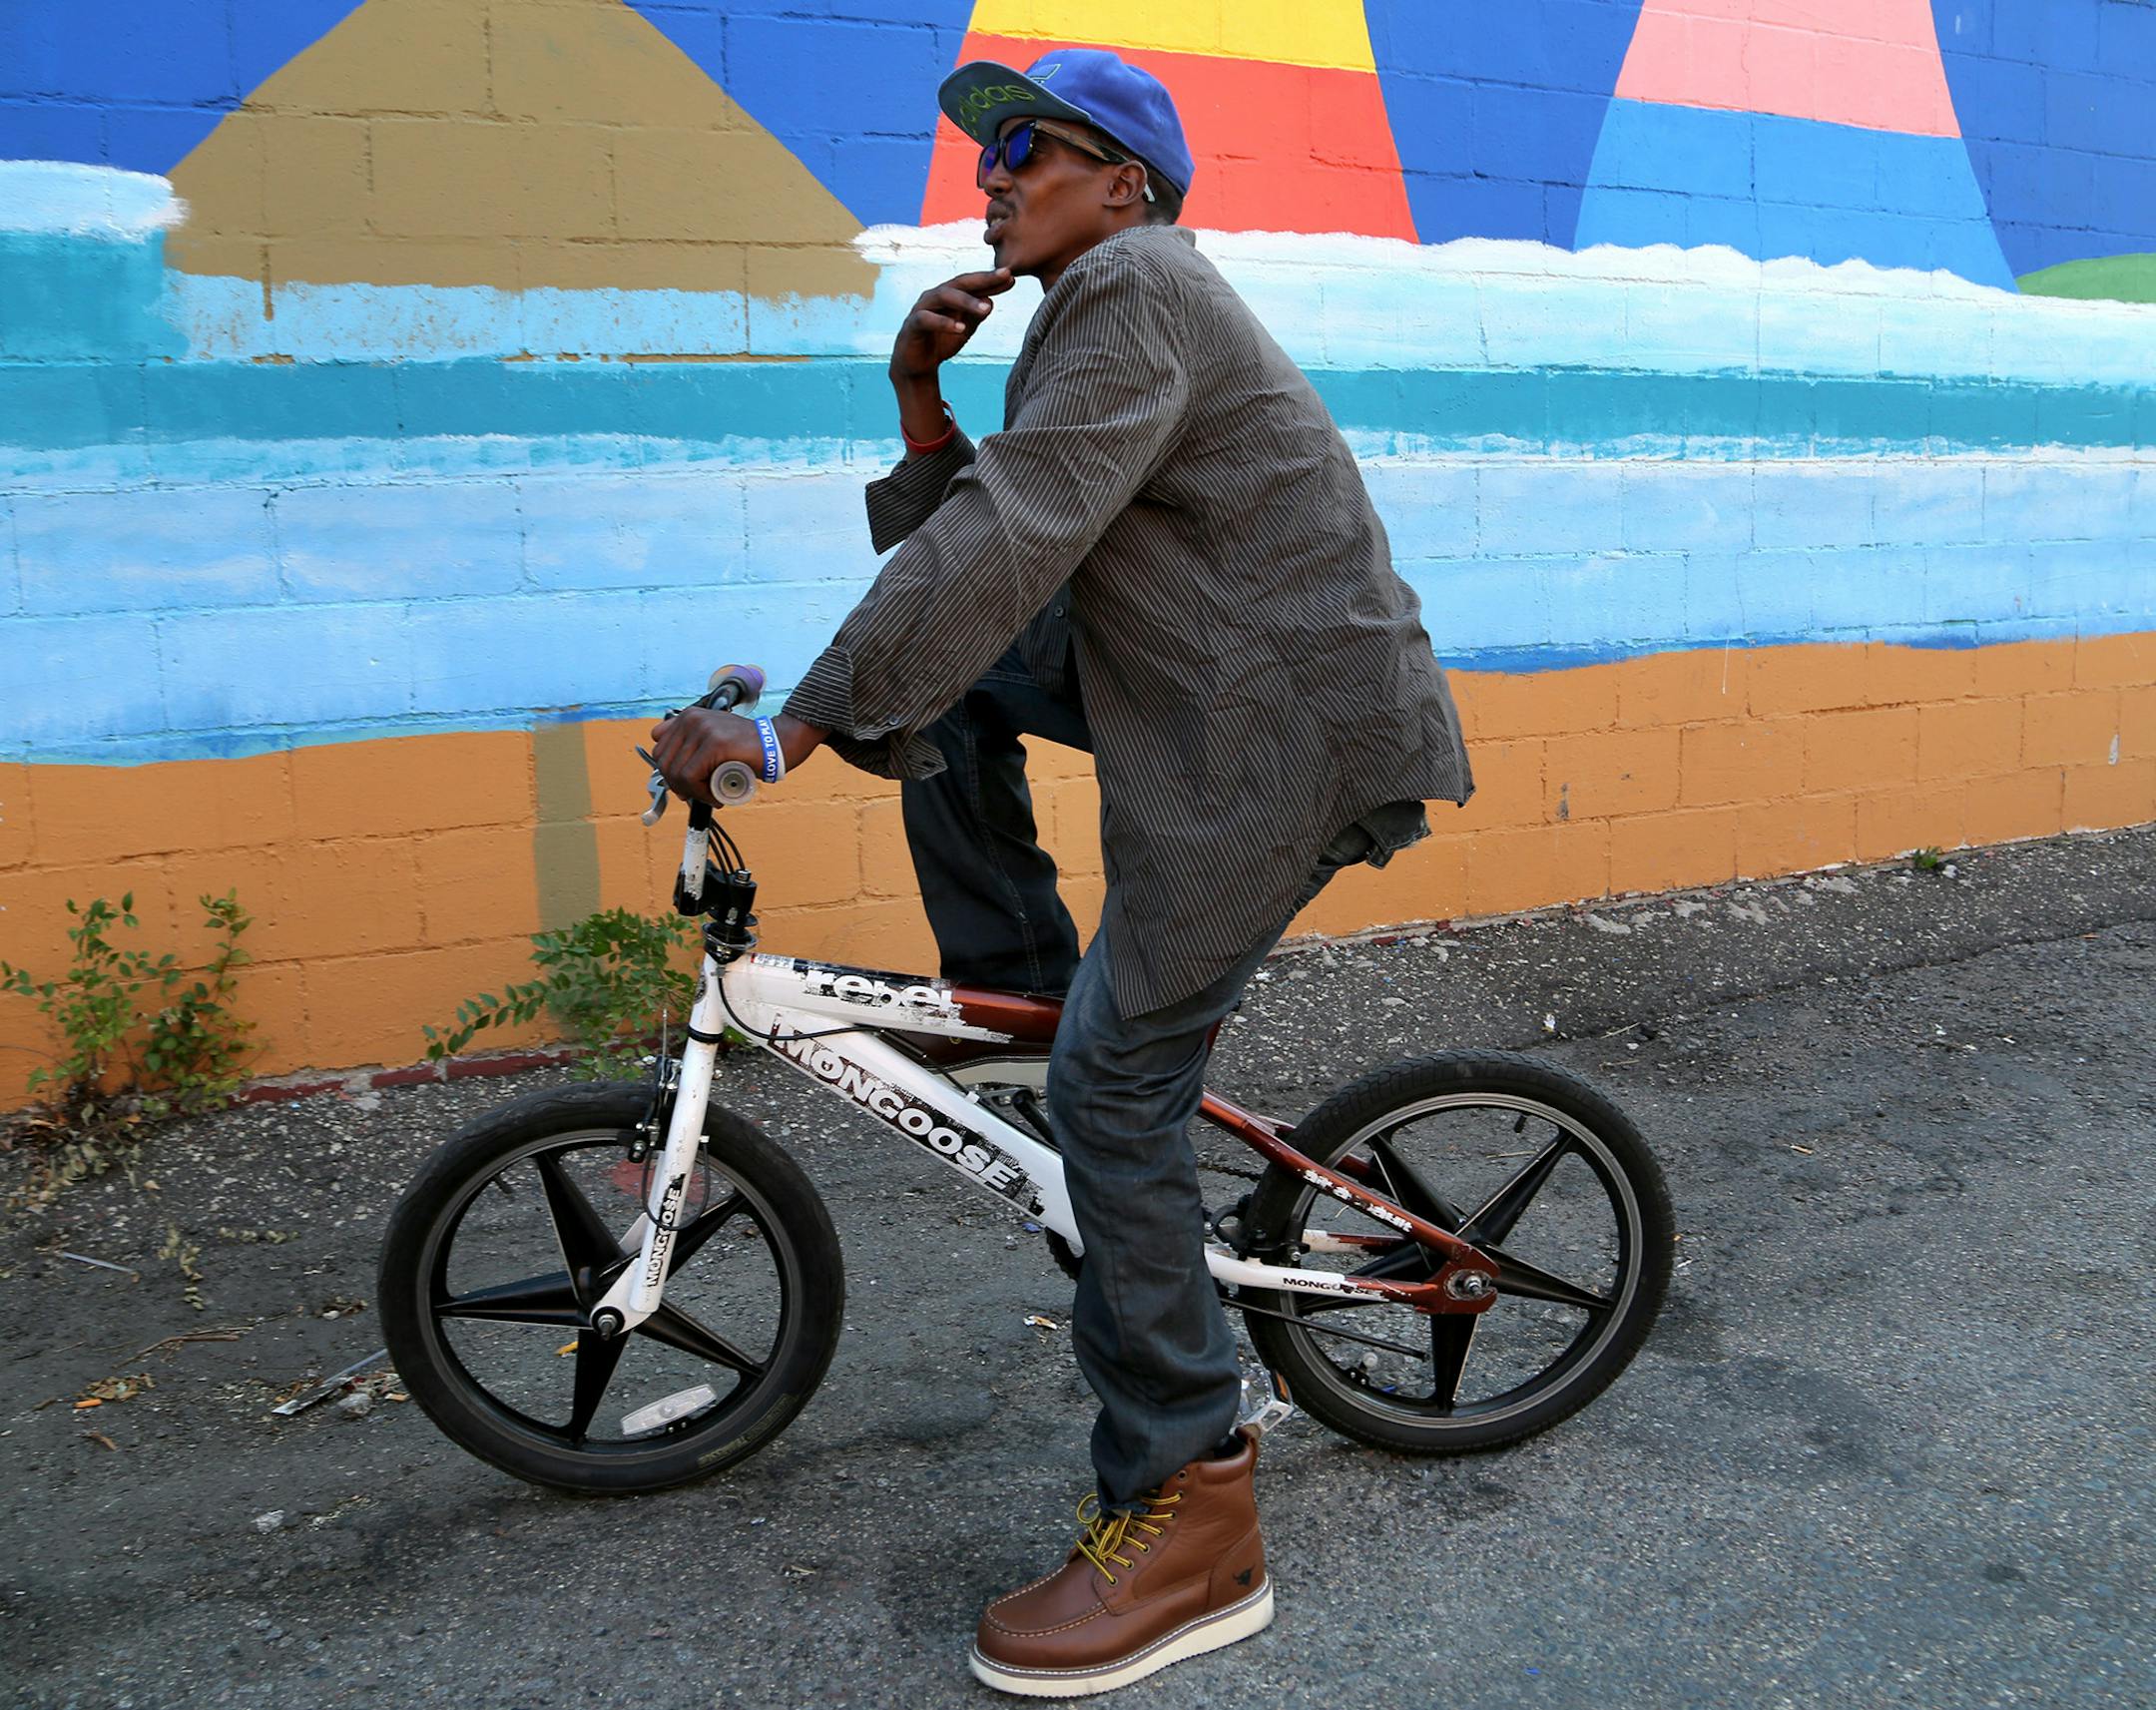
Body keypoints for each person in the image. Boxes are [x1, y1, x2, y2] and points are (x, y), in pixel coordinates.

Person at [650, 48, 1472, 1698]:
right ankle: (1026, 990)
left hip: (1275, 739)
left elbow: (1004, 542)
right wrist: (916, 405)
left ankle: (1193, 1514)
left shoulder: (1142, 287)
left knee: (1118, 1101)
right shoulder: (1098, 309)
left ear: (1129, 185)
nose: (995, 174)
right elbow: (1000, 557)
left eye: (1032, 148)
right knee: (951, 690)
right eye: (990, 153)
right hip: (1192, 678)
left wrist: (800, 725)